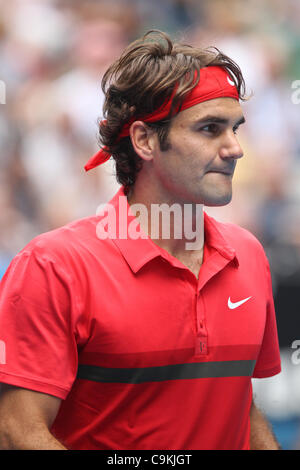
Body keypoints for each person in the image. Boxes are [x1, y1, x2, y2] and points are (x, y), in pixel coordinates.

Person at [0, 30, 281, 450]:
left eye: (235, 128)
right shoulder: (53, 265)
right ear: (145, 140)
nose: (235, 148)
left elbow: (241, 405)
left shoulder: (250, 254)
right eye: (210, 129)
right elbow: (17, 430)